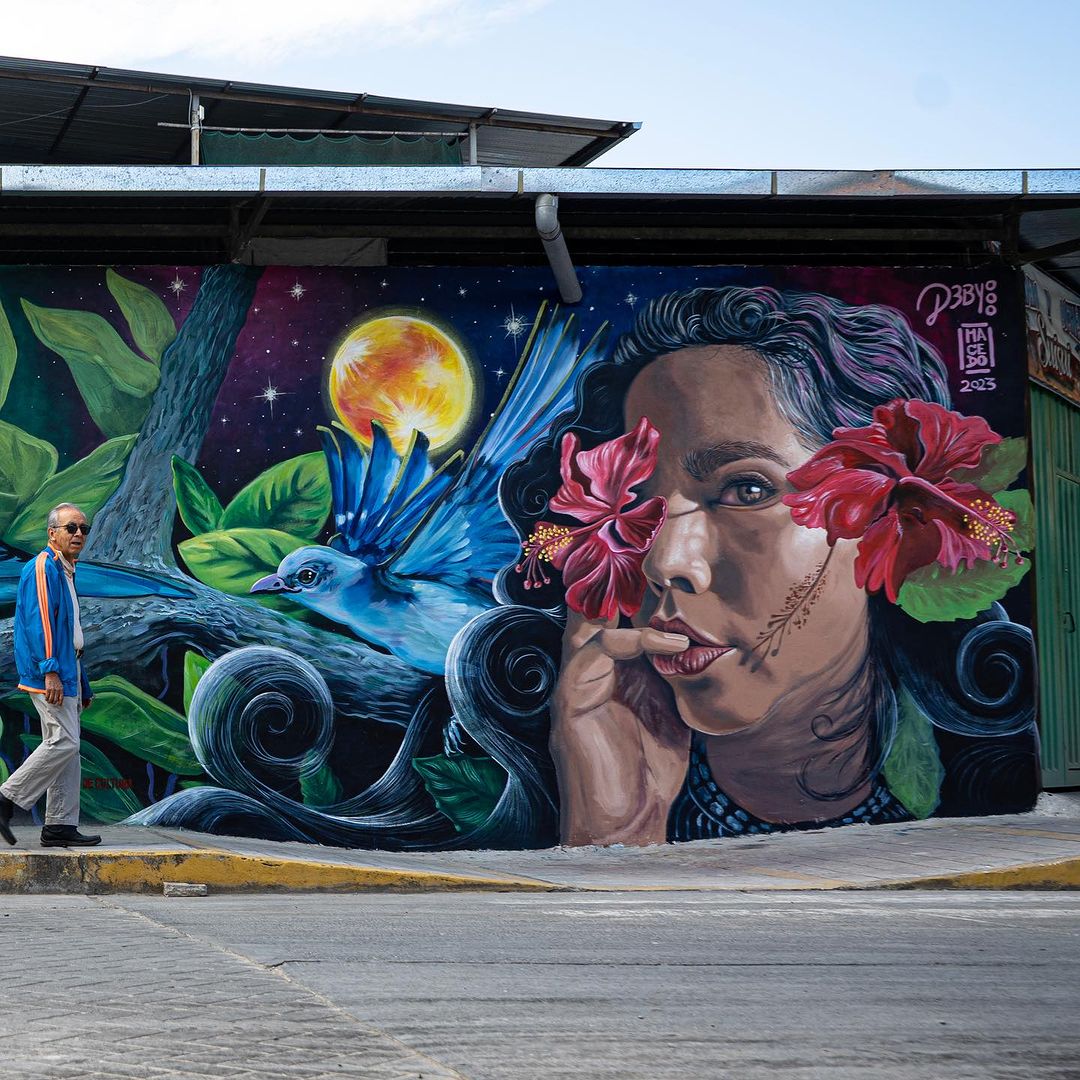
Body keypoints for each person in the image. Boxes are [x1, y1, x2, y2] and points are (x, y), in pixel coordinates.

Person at [491, 284, 1038, 847]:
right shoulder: (580, 765)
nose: (664, 562)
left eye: (747, 488)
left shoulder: (985, 795)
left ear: (893, 521)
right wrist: (614, 827)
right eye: (634, 505)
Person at [0, 503, 99, 847]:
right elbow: (39, 621)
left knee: (68, 750)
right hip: (50, 673)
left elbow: (69, 631)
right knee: (63, 741)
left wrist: (80, 681)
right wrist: (50, 671)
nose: (78, 534)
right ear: (52, 532)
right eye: (71, 527)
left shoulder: (67, 570)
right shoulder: (43, 567)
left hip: (67, 669)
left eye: (84, 529)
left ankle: (60, 825)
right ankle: (6, 798)